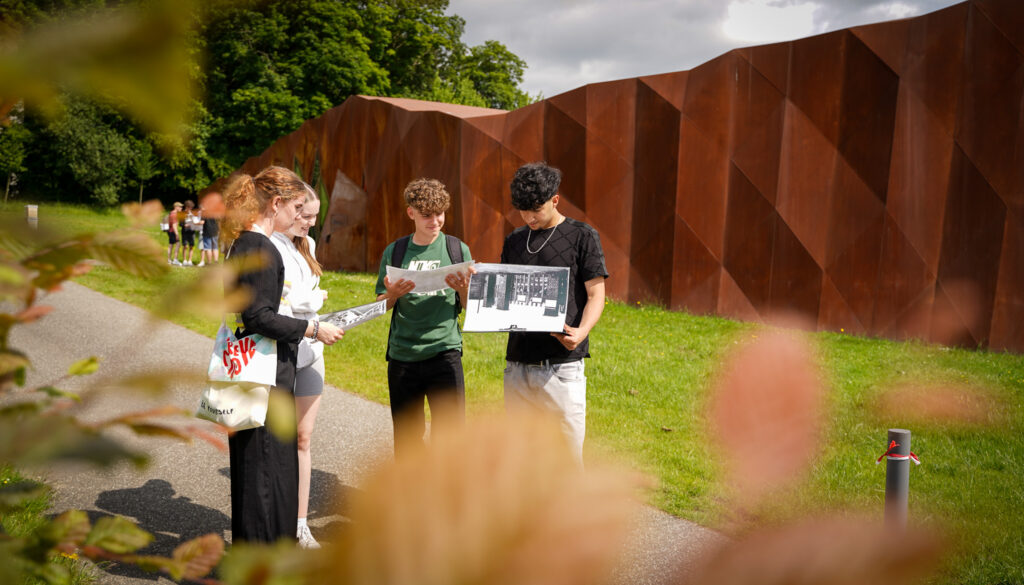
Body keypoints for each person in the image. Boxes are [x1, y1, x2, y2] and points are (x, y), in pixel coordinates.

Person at [222, 166, 344, 544]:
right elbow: (258, 316)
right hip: (264, 376)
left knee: (257, 469)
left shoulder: (244, 243)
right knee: (264, 470)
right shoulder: (259, 247)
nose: (299, 216)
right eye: (296, 207)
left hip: (249, 371)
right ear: (275, 204)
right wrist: (311, 328)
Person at [500, 162, 608, 465]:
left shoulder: (582, 236)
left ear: (555, 200)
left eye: (536, 209)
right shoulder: (514, 241)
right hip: (517, 365)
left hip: (561, 367)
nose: (529, 217)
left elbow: (596, 294)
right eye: (522, 211)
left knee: (566, 460)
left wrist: (582, 331)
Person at [375, 178, 475, 457]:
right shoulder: (395, 252)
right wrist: (392, 294)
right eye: (427, 215)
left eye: (440, 214)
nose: (436, 221)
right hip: (403, 355)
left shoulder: (457, 250)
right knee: (407, 440)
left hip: (445, 353)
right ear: (411, 213)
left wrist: (464, 290)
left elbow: (467, 307)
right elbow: (381, 305)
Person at [270, 185, 329, 549]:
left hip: (313, 351)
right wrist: (310, 301)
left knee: (303, 438)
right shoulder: (268, 244)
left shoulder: (308, 245)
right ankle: (273, 521)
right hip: (281, 352)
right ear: (288, 209)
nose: (309, 222)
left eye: (314, 217)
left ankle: (300, 524)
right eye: (304, 214)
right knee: (277, 440)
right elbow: (275, 304)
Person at [200, 201, 220, 266]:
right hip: (215, 231)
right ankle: (216, 262)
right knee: (215, 247)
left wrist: (195, 223)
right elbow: (219, 222)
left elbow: (202, 222)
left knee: (208, 247)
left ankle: (209, 263)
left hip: (207, 231)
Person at [180, 200, 199, 266]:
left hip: (192, 231)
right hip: (184, 232)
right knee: (185, 246)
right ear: (186, 207)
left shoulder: (193, 214)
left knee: (191, 246)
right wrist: (188, 224)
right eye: (190, 207)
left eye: (191, 208)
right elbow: (181, 224)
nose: (190, 209)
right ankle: (184, 260)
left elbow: (196, 222)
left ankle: (190, 260)